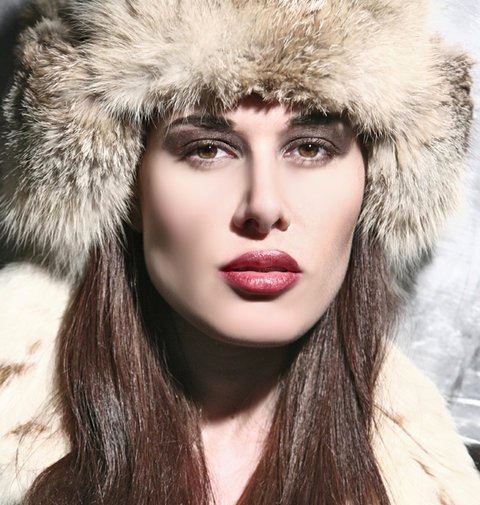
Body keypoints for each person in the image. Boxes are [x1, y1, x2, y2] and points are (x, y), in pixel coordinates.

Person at [0, 0, 479, 504]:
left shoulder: (428, 482)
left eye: (310, 147)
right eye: (207, 149)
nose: (264, 206)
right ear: (129, 190)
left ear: (372, 184)